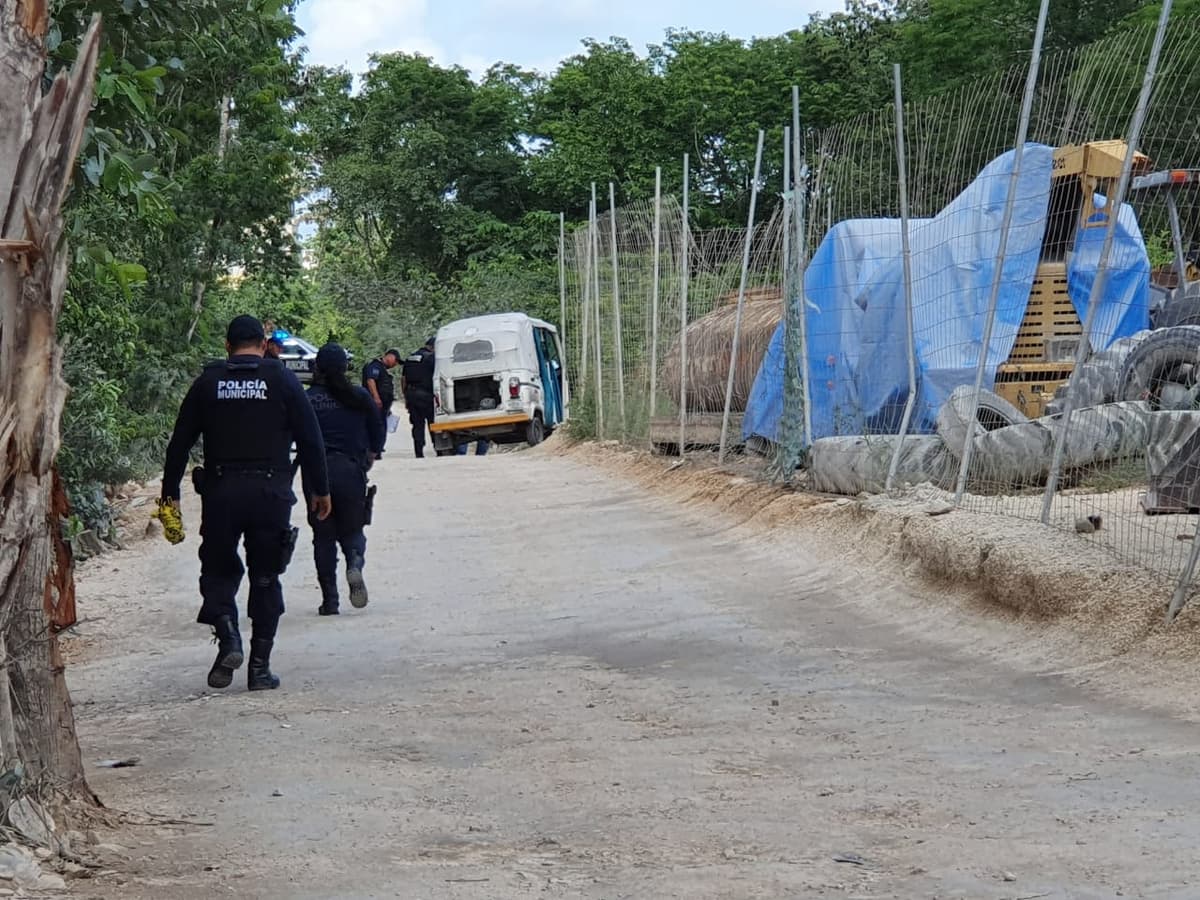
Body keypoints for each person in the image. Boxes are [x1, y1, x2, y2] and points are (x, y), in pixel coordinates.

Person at [160, 315, 331, 692]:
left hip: (221, 492)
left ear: (227, 346)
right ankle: (259, 669)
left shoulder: (208, 383)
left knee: (218, 572)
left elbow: (179, 444)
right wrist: (320, 490)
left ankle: (229, 637)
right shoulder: (283, 380)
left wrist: (169, 494)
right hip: (270, 494)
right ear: (264, 345)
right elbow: (310, 439)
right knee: (266, 576)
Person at [304, 343, 385, 615]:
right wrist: (371, 454)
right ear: (345, 367)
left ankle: (330, 600)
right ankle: (354, 563)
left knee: (323, 537)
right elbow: (377, 430)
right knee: (353, 530)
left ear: (317, 367)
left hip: (316, 476)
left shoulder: (306, 399)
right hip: (350, 471)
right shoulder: (359, 396)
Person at [401, 337, 436, 458]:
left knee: (417, 425)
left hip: (412, 395)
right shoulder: (431, 358)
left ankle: (419, 451)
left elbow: (403, 379)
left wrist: (406, 397)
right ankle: (438, 448)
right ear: (433, 347)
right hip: (427, 396)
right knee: (433, 423)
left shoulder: (410, 358)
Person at [362, 349, 400, 454]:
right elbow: (370, 380)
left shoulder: (382, 368)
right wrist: (376, 397)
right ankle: (375, 448)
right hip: (375, 403)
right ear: (390, 356)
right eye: (396, 361)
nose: (395, 364)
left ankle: (378, 447)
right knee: (376, 425)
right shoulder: (374, 366)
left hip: (382, 405)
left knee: (381, 424)